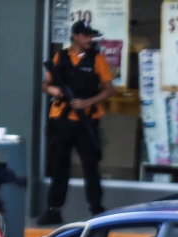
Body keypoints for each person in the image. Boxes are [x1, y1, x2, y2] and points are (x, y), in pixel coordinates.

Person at [38, 20, 116, 225]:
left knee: (91, 166)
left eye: (91, 35)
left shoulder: (97, 59)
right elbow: (45, 85)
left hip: (86, 120)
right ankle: (54, 209)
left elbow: (109, 90)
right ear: (75, 36)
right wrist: (56, 91)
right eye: (86, 35)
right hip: (61, 119)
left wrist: (87, 102)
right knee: (59, 167)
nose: (90, 39)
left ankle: (97, 209)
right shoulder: (60, 57)